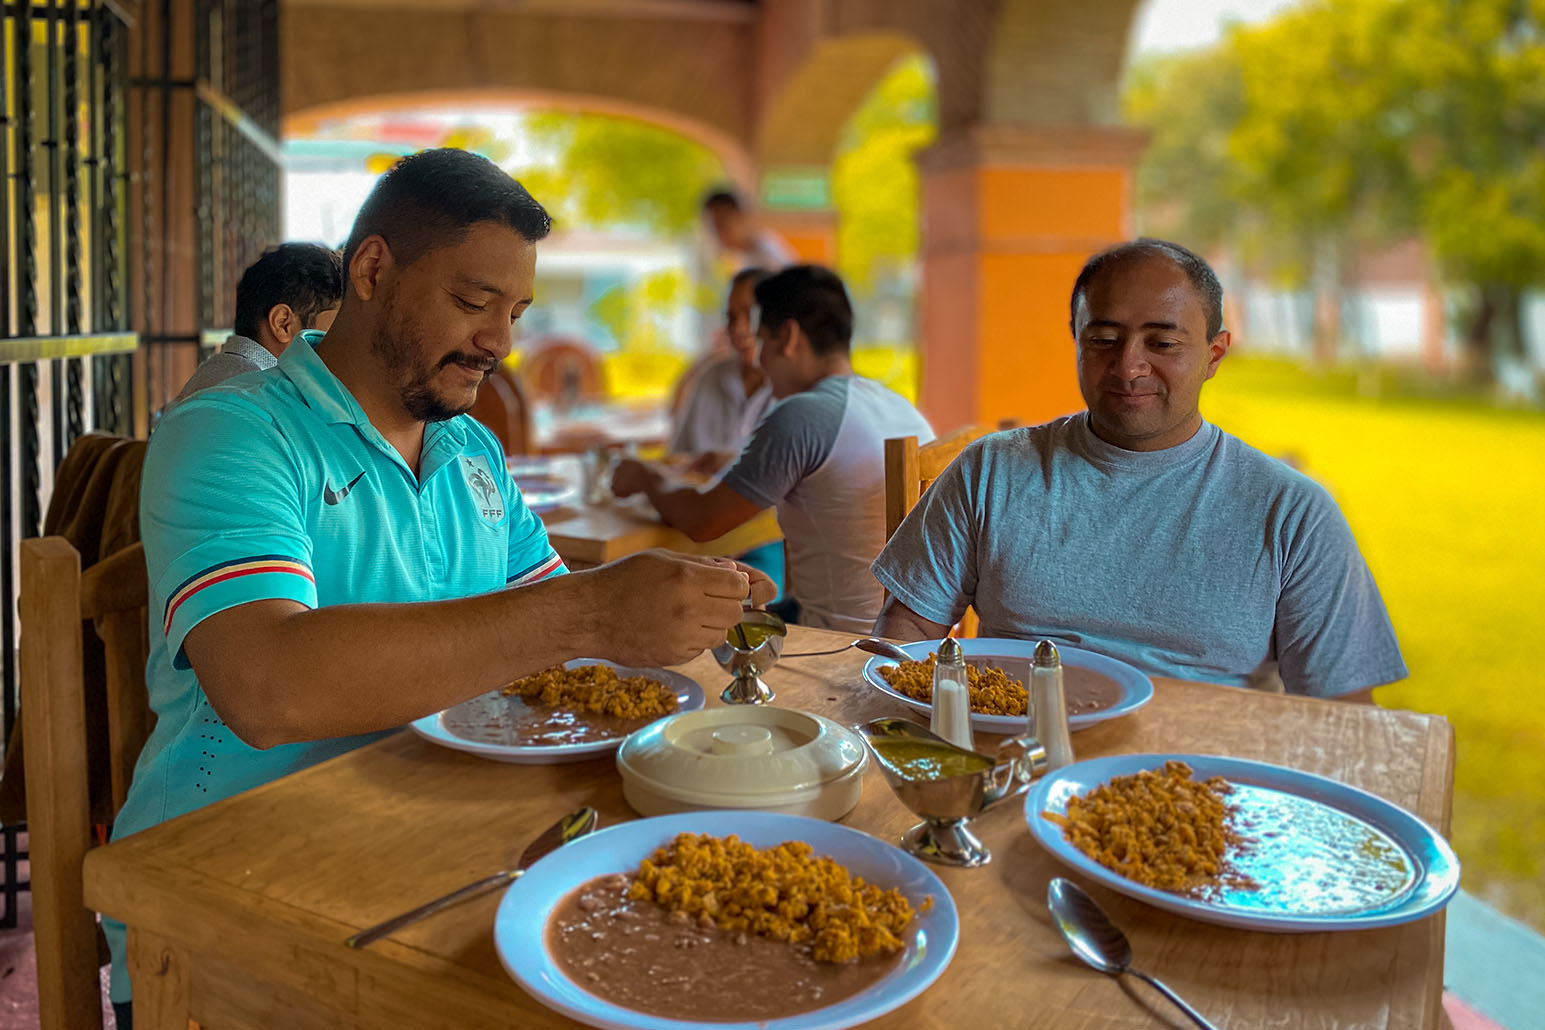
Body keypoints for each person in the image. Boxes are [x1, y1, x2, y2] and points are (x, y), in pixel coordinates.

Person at [106, 148, 773, 1025]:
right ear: (372, 270)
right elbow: (266, 685)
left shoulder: (471, 450)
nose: (501, 342)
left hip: (433, 843)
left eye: (516, 313)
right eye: (472, 302)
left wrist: (657, 614)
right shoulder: (233, 431)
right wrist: (590, 610)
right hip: (221, 890)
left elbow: (551, 642)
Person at [871, 238, 1406, 700]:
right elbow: (907, 628)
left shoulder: (1292, 514)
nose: (1128, 367)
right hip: (1014, 751)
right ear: (1076, 339)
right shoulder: (991, 471)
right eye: (1103, 340)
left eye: (1163, 343)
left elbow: (1342, 710)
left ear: (1215, 354)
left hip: (1198, 775)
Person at [611, 265, 932, 634]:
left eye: (761, 341)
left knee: (658, 622)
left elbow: (702, 521)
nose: (760, 362)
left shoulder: (803, 415)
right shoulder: (898, 408)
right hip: (912, 640)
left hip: (836, 642)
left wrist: (645, 476)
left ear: (789, 338)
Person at [168, 242, 344, 408]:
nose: (341, 344)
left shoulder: (224, 376)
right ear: (283, 323)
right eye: (335, 329)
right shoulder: (255, 395)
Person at [668, 266, 775, 474]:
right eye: (731, 318)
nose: (739, 329)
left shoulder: (794, 389)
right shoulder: (710, 377)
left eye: (750, 315)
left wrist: (730, 463)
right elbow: (677, 458)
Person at [702, 189, 795, 271]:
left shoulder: (768, 257)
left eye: (722, 223)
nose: (718, 232)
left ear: (741, 216)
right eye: (713, 227)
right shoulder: (745, 257)